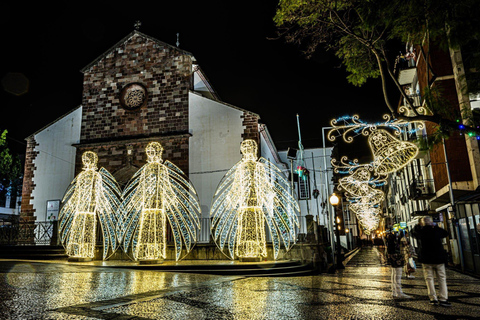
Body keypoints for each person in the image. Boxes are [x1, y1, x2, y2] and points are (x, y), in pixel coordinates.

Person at [413, 216, 450, 307]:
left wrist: (418, 225)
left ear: (422, 223)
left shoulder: (421, 232)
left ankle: (433, 298)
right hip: (439, 259)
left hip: (426, 260)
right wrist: (435, 226)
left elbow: (413, 233)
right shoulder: (436, 231)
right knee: (441, 279)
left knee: (429, 279)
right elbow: (445, 233)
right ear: (431, 222)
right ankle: (443, 299)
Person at [385, 230, 411, 299]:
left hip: (393, 259)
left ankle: (394, 291)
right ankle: (399, 293)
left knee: (394, 274)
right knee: (398, 275)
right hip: (397, 258)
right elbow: (406, 246)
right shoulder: (398, 241)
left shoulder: (389, 241)